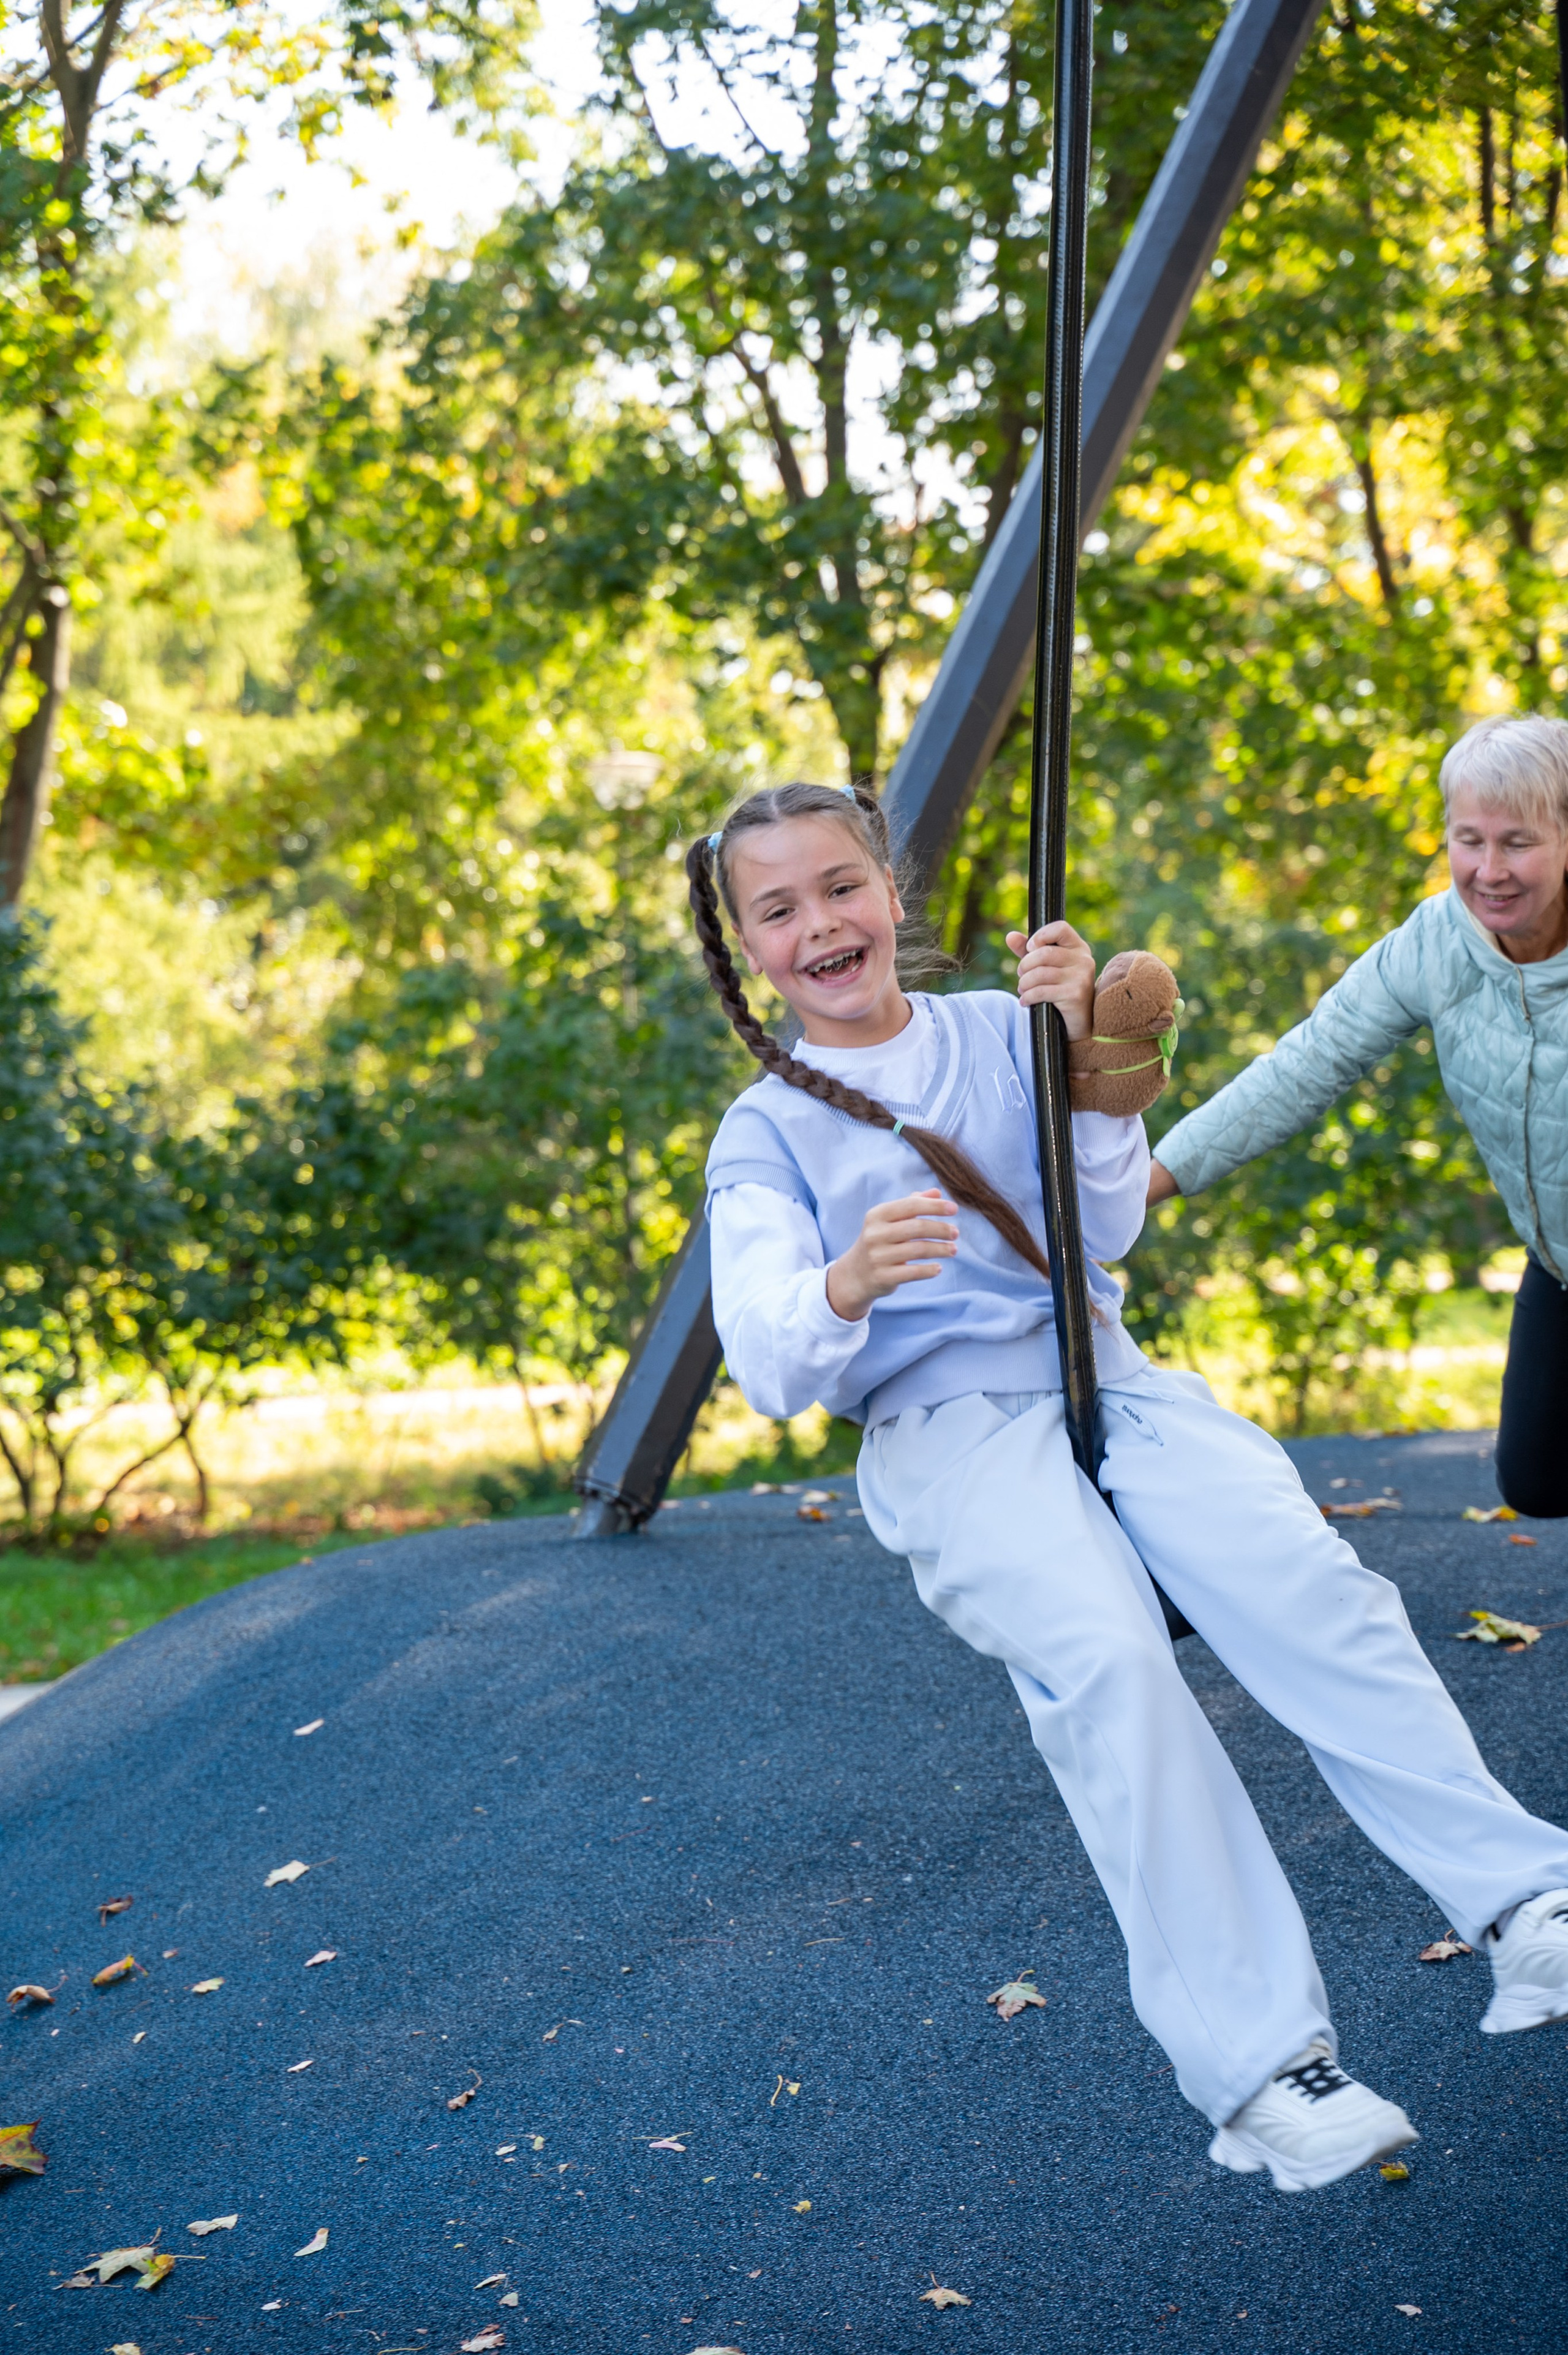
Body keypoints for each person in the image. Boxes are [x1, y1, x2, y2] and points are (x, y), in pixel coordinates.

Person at [688, 776, 1568, 2196]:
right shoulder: (764, 1128)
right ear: (747, 945)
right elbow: (767, 1360)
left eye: (841, 886)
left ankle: (1520, 1901)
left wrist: (1086, 1063)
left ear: (892, 894)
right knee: (1109, 1660)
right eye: (777, 908)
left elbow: (1100, 1228)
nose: (820, 924)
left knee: (1308, 1582)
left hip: (1102, 1369)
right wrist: (841, 1282)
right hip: (943, 1426)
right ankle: (1263, 2069)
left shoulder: (1002, 1026)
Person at [1150, 713, 1568, 1518]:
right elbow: (1307, 1064)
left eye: (1519, 843)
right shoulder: (1436, 944)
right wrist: (1148, 1179)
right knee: (1537, 1480)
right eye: (1469, 841)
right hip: (1557, 1259)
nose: (1490, 871)